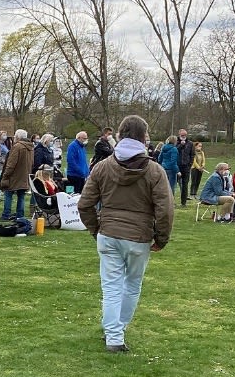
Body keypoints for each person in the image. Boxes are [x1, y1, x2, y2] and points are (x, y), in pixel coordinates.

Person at [77, 115, 173, 353]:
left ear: (119, 135)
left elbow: (85, 204)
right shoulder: (155, 171)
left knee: (111, 287)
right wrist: (161, 238)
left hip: (109, 233)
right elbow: (165, 210)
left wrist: (96, 229)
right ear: (144, 137)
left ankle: (114, 334)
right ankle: (116, 333)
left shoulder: (102, 167)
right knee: (131, 285)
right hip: (138, 237)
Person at [0, 128, 34, 220]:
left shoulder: (17, 147)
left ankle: (6, 214)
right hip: (25, 175)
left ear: (17, 137)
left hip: (14, 176)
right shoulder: (30, 147)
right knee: (21, 196)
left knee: (8, 194)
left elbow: (11, 163)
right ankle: (20, 215)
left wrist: (6, 175)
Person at [175, 129, 195, 205]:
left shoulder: (190, 143)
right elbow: (175, 151)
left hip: (186, 166)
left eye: (185, 135)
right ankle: (171, 201)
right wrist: (181, 145)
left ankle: (183, 202)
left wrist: (190, 164)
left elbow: (192, 154)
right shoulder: (176, 142)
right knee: (174, 183)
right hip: (177, 166)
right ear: (179, 135)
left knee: (185, 184)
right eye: (182, 135)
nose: (184, 137)